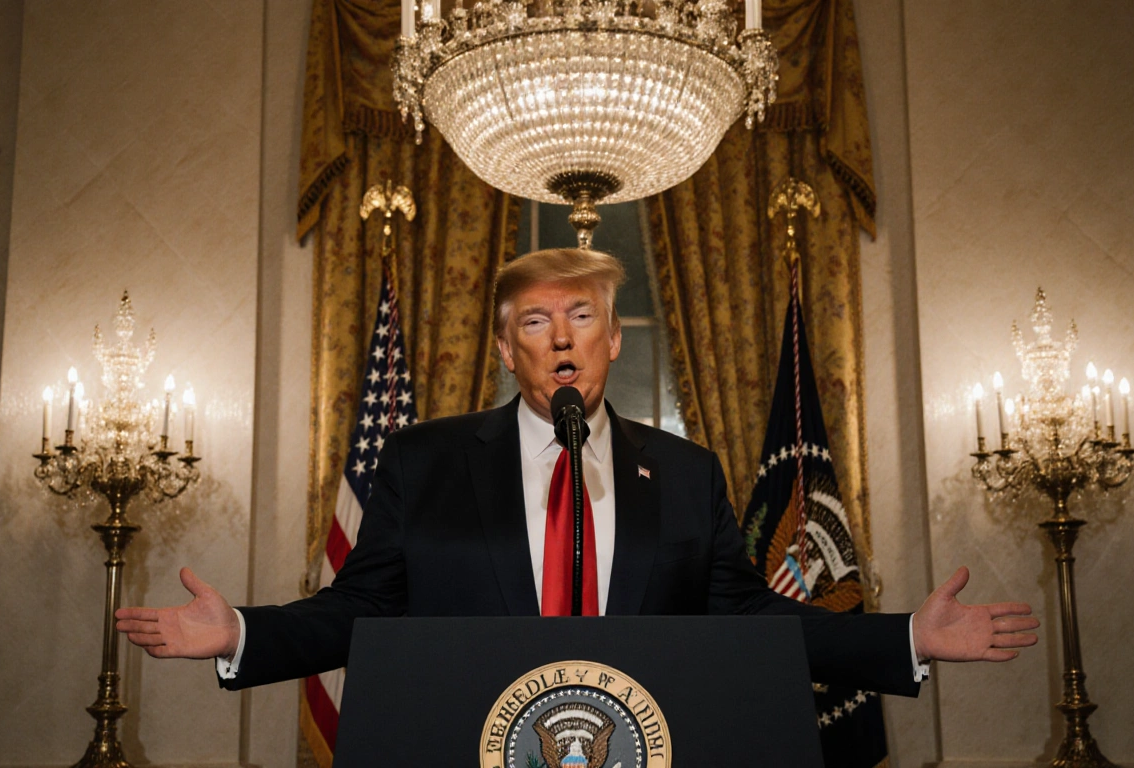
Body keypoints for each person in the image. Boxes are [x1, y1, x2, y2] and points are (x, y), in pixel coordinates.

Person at [117, 248, 1038, 696]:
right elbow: (361, 610)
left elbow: (749, 620)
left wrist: (903, 639)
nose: (562, 337)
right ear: (506, 351)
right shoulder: (424, 462)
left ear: (614, 338)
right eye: (535, 321)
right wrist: (240, 630)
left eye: (584, 316)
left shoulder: (684, 473)